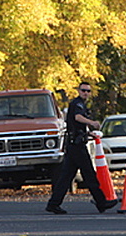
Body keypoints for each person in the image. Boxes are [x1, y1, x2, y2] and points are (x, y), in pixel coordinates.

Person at [46, 82, 118, 214]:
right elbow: (77, 117)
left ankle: (53, 203)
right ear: (79, 91)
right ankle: (101, 202)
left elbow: (76, 125)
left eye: (88, 91)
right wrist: (93, 123)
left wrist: (89, 133)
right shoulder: (77, 104)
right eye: (84, 90)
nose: (86, 93)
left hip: (75, 144)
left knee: (66, 177)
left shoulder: (80, 104)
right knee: (89, 174)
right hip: (76, 146)